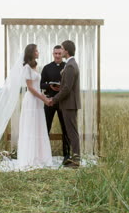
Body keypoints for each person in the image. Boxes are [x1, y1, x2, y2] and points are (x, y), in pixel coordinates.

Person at [48, 40, 81, 168]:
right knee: (71, 131)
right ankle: (75, 158)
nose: (60, 51)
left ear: (66, 51)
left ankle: (76, 161)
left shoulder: (71, 65)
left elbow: (67, 88)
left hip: (69, 104)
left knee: (72, 132)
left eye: (62, 49)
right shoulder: (71, 64)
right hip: (69, 104)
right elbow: (67, 86)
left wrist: (54, 99)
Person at [40, 45, 70, 165]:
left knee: (65, 129)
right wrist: (49, 86)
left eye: (59, 53)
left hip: (63, 102)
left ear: (62, 53)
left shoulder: (67, 67)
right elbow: (41, 84)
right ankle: (44, 155)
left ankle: (67, 155)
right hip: (49, 101)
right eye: (55, 53)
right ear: (52, 54)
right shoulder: (47, 68)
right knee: (46, 127)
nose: (57, 55)